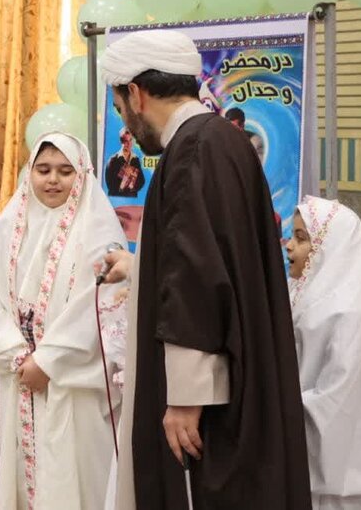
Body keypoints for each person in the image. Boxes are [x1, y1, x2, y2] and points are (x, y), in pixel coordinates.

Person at [99, 30, 311, 510]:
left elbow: (196, 277)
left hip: (209, 402)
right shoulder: (223, 140)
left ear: (135, 93)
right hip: (238, 371)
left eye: (119, 108)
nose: (125, 123)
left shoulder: (192, 150)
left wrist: (185, 396)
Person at [0, 132, 126, 510]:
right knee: (24, 481)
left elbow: (97, 302)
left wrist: (48, 361)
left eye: (64, 171)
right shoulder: (10, 225)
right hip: (21, 375)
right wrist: (15, 353)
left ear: (82, 174)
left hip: (73, 381)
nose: (53, 180)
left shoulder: (98, 228)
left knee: (75, 475)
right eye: (43, 170)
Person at [286, 197, 361, 510]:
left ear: (331, 248)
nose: (289, 246)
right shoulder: (301, 293)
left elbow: (336, 394)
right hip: (299, 442)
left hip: (340, 465)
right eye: (292, 236)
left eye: (301, 238)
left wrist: (280, 409)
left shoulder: (347, 312)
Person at [104, 127, 146, 197]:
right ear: (121, 142)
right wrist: (124, 179)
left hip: (132, 198)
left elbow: (142, 181)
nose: (129, 144)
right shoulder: (113, 160)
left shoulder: (136, 160)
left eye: (130, 140)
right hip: (116, 199)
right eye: (126, 141)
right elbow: (109, 184)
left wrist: (131, 185)